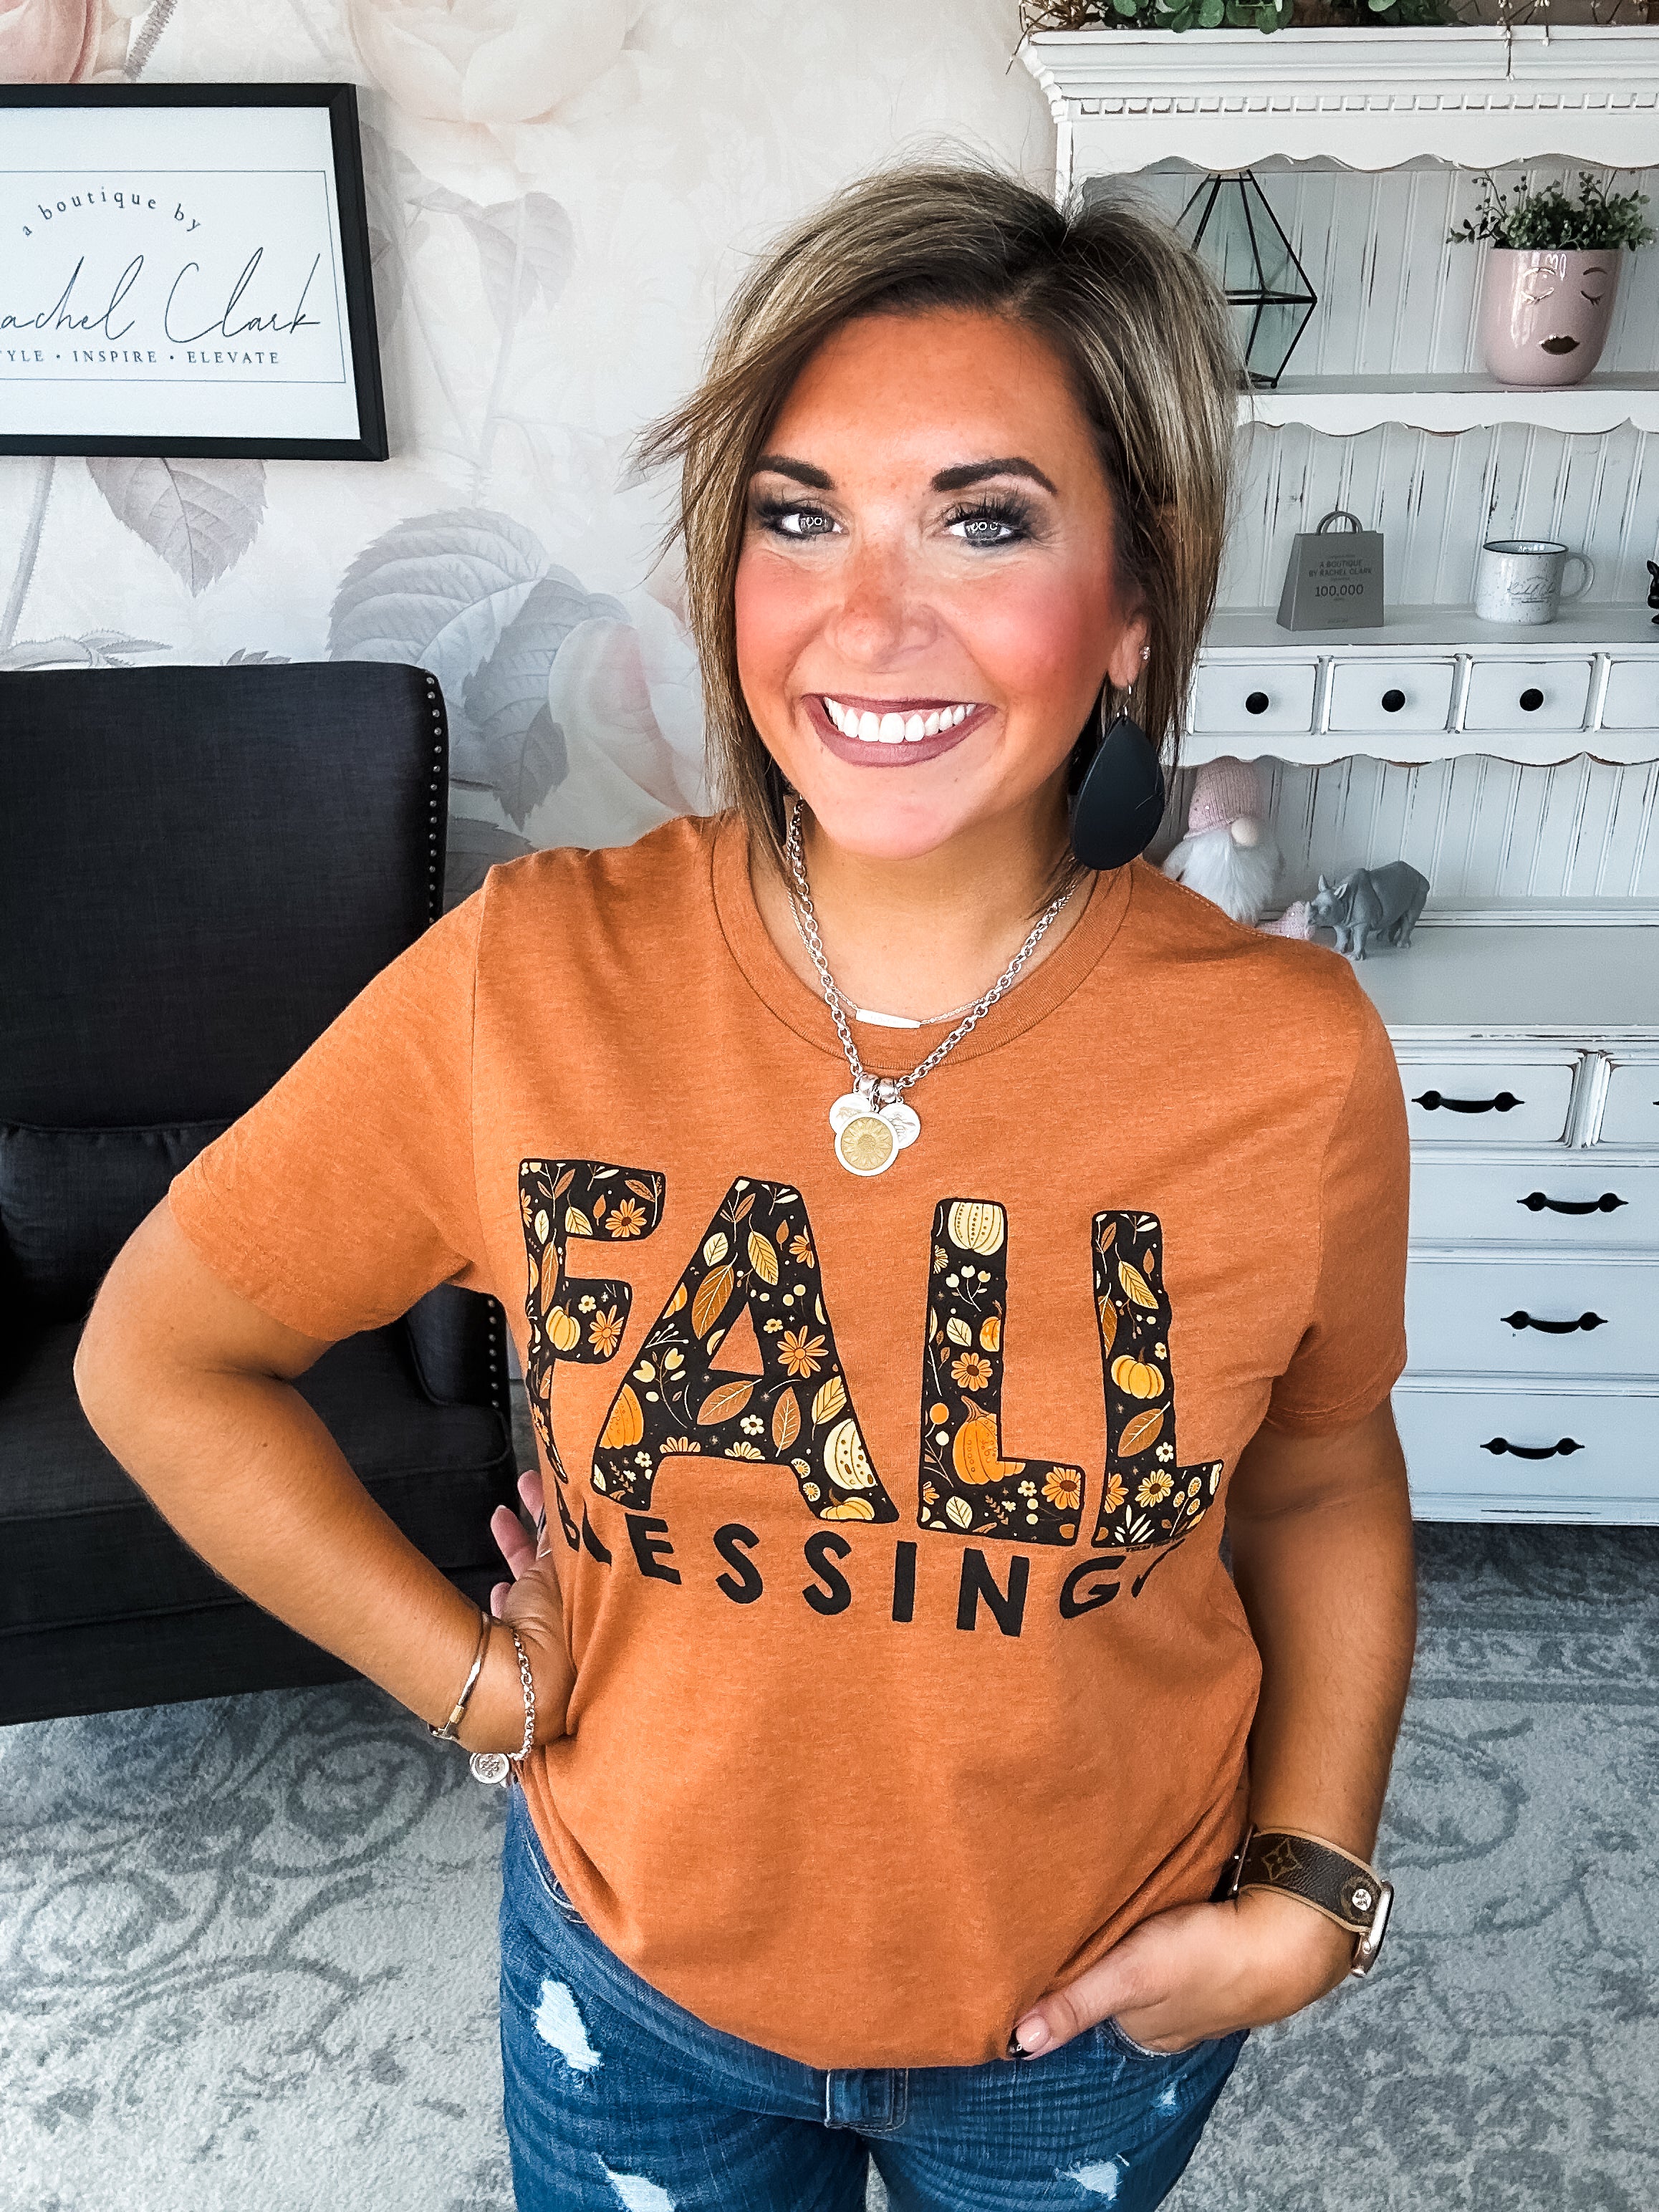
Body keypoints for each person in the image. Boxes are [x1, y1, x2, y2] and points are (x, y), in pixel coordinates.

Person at [75, 163, 1415, 2212]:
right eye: (799, 518)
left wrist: (1316, 1885)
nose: (868, 621)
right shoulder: (533, 980)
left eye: (984, 522)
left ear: (1136, 601)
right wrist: (468, 1681)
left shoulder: (1285, 1057)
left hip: (1089, 2010)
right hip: (634, 1993)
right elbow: (162, 1357)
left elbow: (1319, 1480)